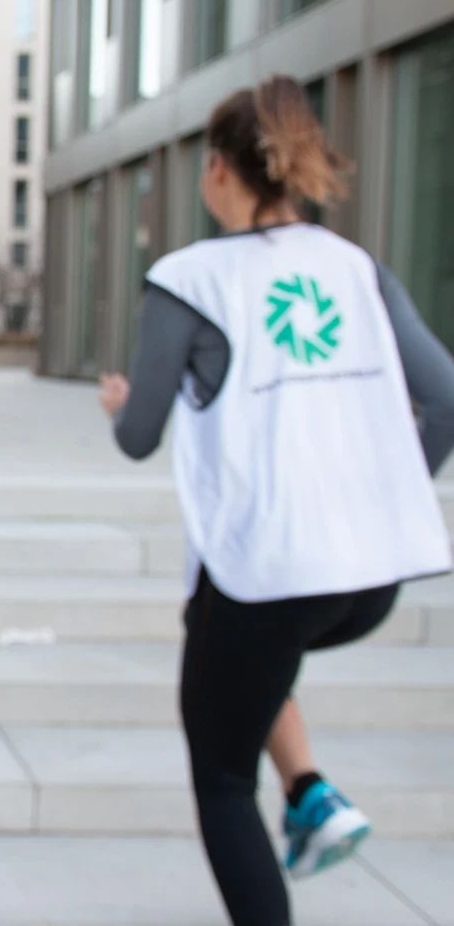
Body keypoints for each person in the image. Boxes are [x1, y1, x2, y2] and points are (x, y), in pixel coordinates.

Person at [99, 76, 454, 926]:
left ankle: (297, 800)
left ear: (219, 170)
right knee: (244, 655)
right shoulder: (356, 268)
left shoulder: (187, 280)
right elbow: (446, 397)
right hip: (365, 583)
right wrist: (394, 490)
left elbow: (140, 435)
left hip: (265, 578)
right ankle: (310, 790)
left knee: (223, 779)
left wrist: (122, 404)